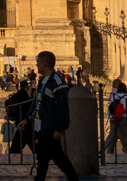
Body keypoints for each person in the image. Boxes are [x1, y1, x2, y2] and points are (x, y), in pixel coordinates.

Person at [28, 51, 78, 181]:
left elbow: (62, 107)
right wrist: (27, 118)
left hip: (50, 128)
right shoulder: (42, 81)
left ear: (44, 63)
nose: (36, 64)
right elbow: (37, 103)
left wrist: (59, 128)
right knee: (47, 160)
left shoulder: (57, 82)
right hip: (41, 127)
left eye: (38, 62)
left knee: (55, 159)